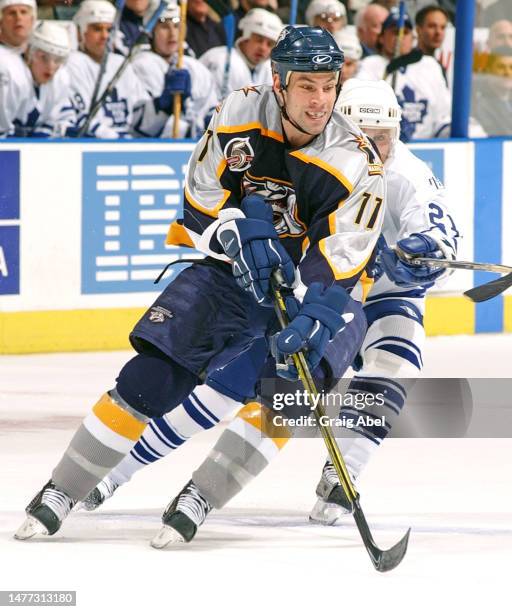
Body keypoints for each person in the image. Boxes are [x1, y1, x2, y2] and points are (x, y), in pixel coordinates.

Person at [15, 26, 386, 544]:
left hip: (317, 294)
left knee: (289, 394)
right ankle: (63, 488)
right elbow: (200, 199)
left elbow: (339, 264)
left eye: (328, 85)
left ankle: (201, 495)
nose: (320, 99)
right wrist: (235, 232)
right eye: (307, 85)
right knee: (152, 376)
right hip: (234, 273)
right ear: (279, 82)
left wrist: (311, 313)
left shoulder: (357, 160)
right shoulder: (239, 112)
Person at [81, 80, 460, 544]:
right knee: (230, 386)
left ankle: (344, 475)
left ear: (396, 134)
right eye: (362, 132)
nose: (372, 146)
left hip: (377, 291)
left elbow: (443, 245)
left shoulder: (409, 176)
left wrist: (419, 256)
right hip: (315, 283)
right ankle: (118, 468)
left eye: (381, 136)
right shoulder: (320, 155)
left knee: (393, 358)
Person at [62, 0, 177, 138]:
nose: (105, 36)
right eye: (97, 29)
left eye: (109, 29)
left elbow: (139, 122)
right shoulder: (71, 64)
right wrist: (118, 141)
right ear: (81, 32)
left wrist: (163, 106)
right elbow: (78, 121)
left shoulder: (120, 63)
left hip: (125, 148)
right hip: (94, 149)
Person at [357, 7, 451, 141]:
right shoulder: (371, 65)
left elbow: (444, 114)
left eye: (405, 32)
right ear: (382, 38)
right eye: (395, 32)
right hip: (384, 145)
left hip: (428, 145)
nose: (400, 37)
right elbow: (361, 106)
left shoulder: (430, 66)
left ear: (412, 37)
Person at [131, 1, 218, 138]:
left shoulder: (195, 67)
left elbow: (211, 108)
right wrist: (163, 106)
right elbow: (137, 124)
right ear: (150, 32)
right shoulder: (140, 65)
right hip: (158, 149)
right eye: (165, 27)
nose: (172, 34)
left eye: (177, 26)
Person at [0, 20, 71, 137]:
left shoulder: (61, 79)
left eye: (58, 60)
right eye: (44, 57)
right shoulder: (10, 74)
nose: (51, 67)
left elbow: (61, 121)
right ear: (29, 51)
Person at [199, 8, 282, 100]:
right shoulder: (222, 60)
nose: (263, 48)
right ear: (245, 38)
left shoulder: (268, 69)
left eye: (269, 44)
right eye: (259, 40)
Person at [472, 46, 512, 136]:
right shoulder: (478, 104)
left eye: (511, 67)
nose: (507, 72)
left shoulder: (508, 100)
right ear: (489, 70)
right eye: (501, 67)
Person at [415, 4, 450, 81]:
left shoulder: (439, 68)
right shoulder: (404, 65)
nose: (438, 32)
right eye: (432, 26)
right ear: (418, 30)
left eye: (442, 27)